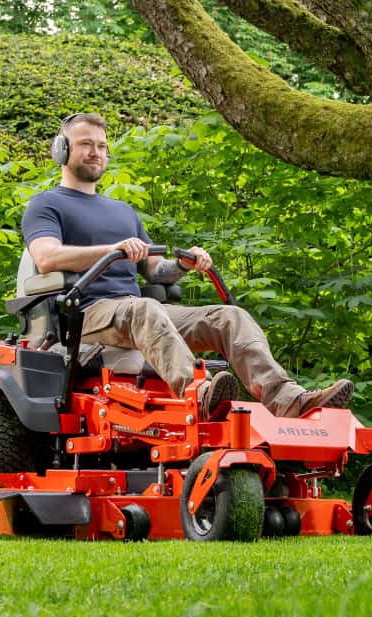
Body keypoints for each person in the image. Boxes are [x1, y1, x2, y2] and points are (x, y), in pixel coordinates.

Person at [20, 112, 353, 420]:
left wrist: (182, 264)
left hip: (138, 313)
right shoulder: (46, 204)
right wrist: (112, 249)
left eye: (102, 146)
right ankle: (199, 393)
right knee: (145, 308)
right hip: (84, 314)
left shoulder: (124, 211)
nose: (95, 152)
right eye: (86, 144)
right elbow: (46, 256)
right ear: (62, 150)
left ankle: (288, 400)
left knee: (229, 317)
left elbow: (154, 271)